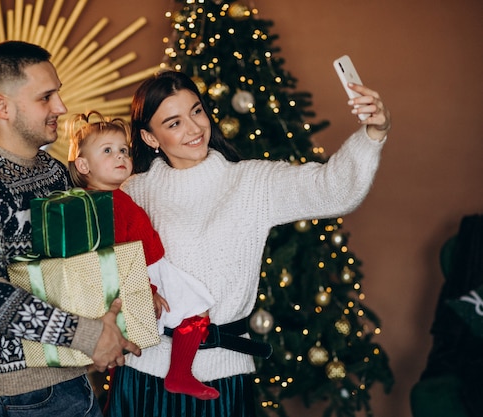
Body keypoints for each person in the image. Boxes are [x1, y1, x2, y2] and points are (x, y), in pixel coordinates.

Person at [105, 70, 391, 417]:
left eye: (196, 111)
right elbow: (106, 269)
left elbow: (334, 189)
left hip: (221, 378)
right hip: (142, 375)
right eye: (174, 122)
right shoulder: (133, 191)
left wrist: (374, 132)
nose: (195, 129)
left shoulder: (250, 182)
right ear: (151, 137)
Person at [0, 41, 140, 417]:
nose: (60, 107)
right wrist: (90, 336)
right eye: (46, 97)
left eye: (57, 93)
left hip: (71, 378)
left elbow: (75, 265)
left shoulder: (53, 170)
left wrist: (125, 315)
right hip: (13, 397)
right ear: (2, 107)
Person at [67, 111, 219, 400]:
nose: (120, 156)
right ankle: (179, 374)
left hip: (148, 265)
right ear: (83, 164)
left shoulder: (115, 196)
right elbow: (114, 256)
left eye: (123, 150)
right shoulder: (103, 205)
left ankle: (177, 373)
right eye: (108, 151)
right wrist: (145, 290)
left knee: (179, 315)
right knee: (196, 308)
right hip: (143, 271)